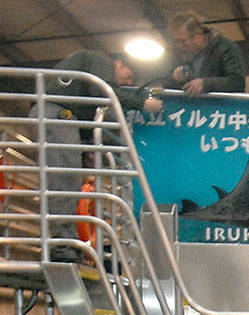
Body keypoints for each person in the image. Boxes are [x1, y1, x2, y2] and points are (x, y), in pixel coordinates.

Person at [30, 52, 162, 263]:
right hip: (58, 116)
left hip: (57, 117)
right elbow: (101, 90)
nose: (127, 82)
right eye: (128, 76)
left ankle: (64, 243)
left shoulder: (80, 75)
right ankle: (62, 246)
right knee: (64, 180)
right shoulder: (99, 60)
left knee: (64, 180)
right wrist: (142, 103)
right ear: (118, 63)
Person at [167, 10, 246, 95]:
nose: (178, 46)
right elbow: (166, 83)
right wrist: (175, 79)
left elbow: (237, 82)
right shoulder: (178, 54)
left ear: (198, 37)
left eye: (182, 41)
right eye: (176, 41)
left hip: (223, 106)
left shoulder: (225, 47)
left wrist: (205, 84)